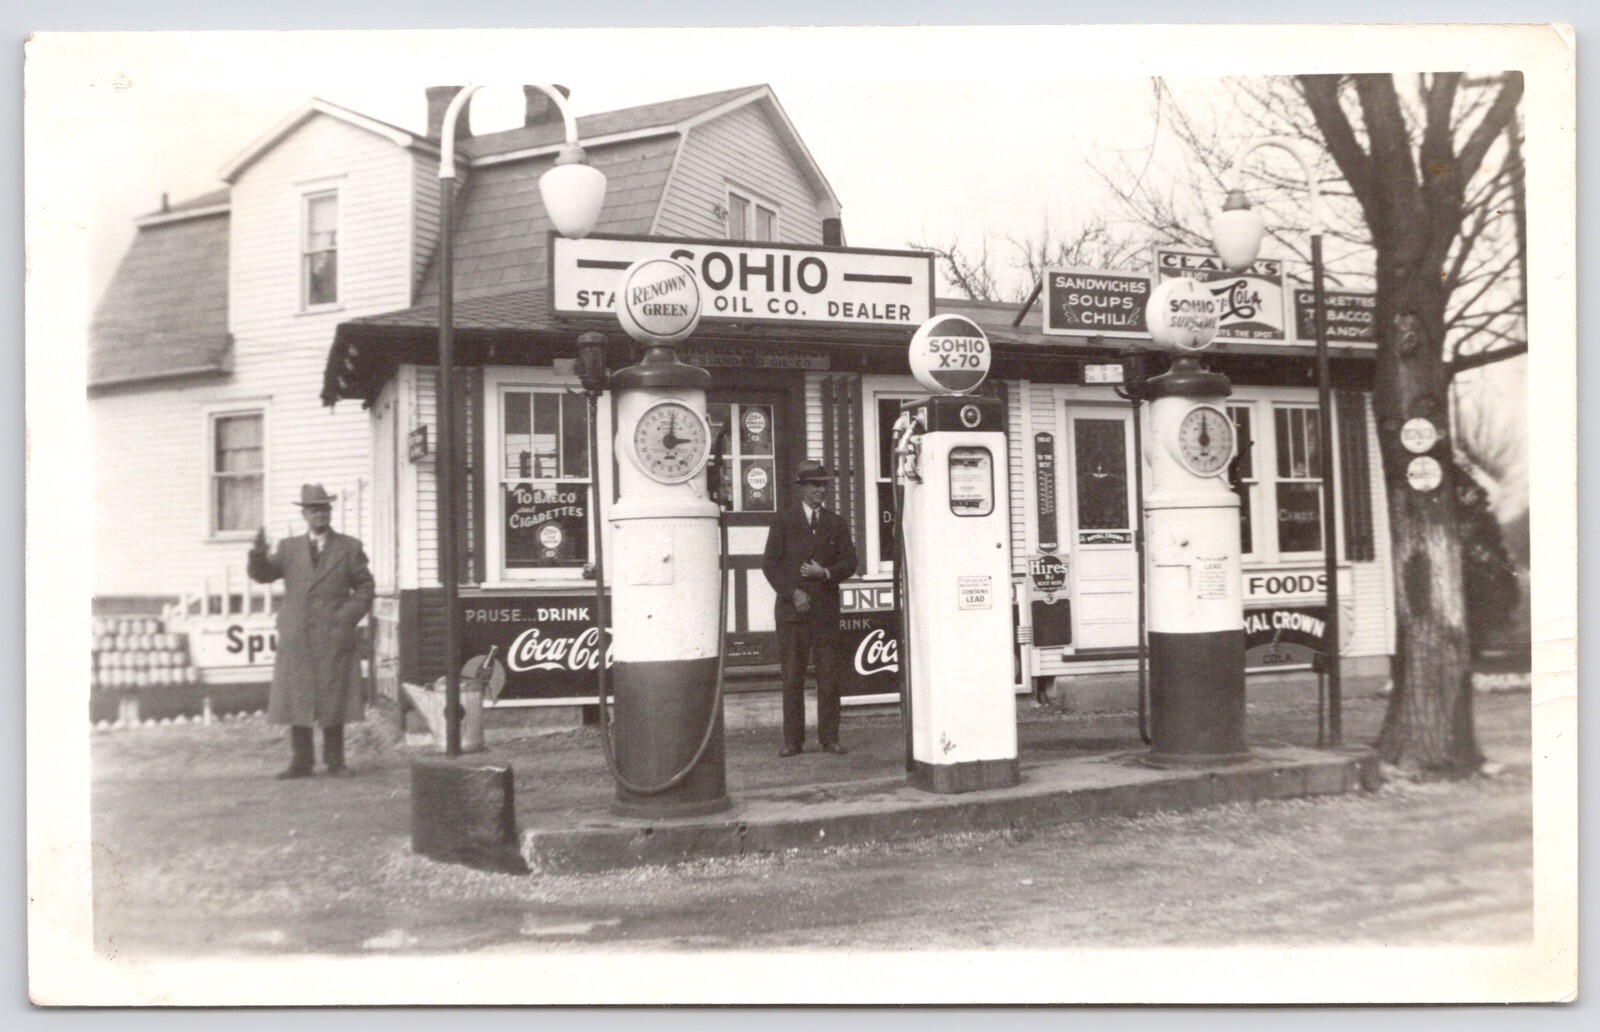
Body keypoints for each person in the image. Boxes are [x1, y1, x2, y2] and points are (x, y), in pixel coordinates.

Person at [248, 484, 375, 778]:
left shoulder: (349, 547)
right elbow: (264, 575)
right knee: (298, 697)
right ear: (304, 514)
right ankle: (301, 762)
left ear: (329, 512)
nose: (319, 514)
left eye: (324, 508)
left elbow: (366, 587)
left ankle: (335, 762)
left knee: (333, 697)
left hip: (333, 633)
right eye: (313, 509)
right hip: (298, 635)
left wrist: (345, 618)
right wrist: (257, 554)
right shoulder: (288, 548)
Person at [762, 459, 858, 757]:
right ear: (802, 488)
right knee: (793, 675)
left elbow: (850, 562)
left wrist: (825, 573)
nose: (821, 489)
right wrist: (793, 593)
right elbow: (769, 565)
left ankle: (830, 738)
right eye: (815, 484)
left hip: (825, 612)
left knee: (829, 675)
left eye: (824, 484)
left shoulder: (836, 523)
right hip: (793, 614)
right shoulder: (784, 521)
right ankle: (793, 740)